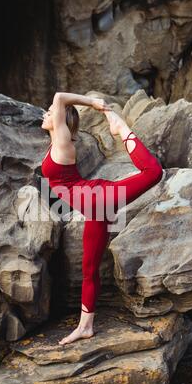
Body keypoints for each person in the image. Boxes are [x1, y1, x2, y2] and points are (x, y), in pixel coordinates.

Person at [41, 92, 163, 345]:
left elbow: (60, 97)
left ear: (62, 119)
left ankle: (122, 128)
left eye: (50, 112)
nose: (46, 113)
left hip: (98, 199)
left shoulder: (63, 140)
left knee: (153, 172)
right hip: (95, 207)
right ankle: (86, 326)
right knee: (89, 270)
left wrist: (93, 104)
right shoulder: (55, 143)